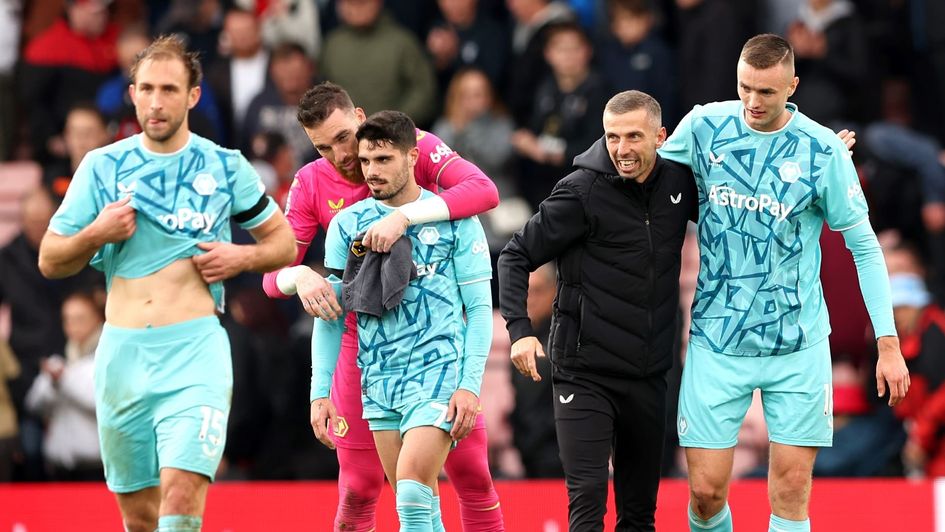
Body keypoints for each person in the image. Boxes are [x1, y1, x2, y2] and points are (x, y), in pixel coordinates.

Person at [37, 35, 296, 532]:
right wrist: (98, 232)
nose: (157, 102)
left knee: (180, 500)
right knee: (139, 516)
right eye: (147, 89)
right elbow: (50, 259)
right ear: (132, 93)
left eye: (170, 90)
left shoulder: (225, 166)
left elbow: (282, 244)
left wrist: (241, 256)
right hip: (122, 356)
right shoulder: (101, 167)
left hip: (195, 351)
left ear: (193, 96)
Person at [658, 33, 909, 532]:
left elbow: (864, 247)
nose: (752, 102)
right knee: (706, 495)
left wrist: (888, 343)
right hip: (717, 339)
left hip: (797, 344)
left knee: (791, 491)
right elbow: (642, 178)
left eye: (767, 93)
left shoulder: (822, 152)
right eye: (745, 87)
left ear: (792, 85)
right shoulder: (704, 125)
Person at [261, 82, 503, 530]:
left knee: (466, 475)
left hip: (436, 348)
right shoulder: (312, 184)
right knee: (362, 488)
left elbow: (484, 192)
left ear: (360, 117)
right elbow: (271, 273)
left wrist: (405, 216)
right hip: (366, 354)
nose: (341, 156)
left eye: (342, 138)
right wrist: (298, 276)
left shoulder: (413, 144)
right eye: (322, 147)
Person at [498, 90, 698, 531]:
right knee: (588, 501)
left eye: (633, 136)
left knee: (640, 513)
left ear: (661, 136)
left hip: (649, 375)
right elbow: (514, 255)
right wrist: (519, 330)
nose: (622, 149)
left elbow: (742, 199)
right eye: (612, 137)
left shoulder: (679, 184)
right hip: (584, 373)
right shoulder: (580, 192)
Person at [25, 290, 104, 481]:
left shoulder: (107, 358)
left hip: (97, 469)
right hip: (60, 468)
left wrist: (63, 380)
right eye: (67, 319)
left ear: (98, 318)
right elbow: (33, 405)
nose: (72, 326)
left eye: (80, 318)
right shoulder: (60, 360)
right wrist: (52, 383)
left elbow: (102, 402)